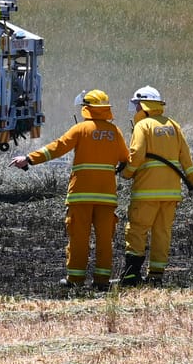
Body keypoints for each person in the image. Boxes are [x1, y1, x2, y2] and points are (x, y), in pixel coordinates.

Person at [12, 89, 129, 290]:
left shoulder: (81, 129)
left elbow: (57, 147)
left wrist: (29, 159)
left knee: (79, 239)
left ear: (87, 108)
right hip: (107, 197)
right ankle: (102, 281)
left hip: (81, 195)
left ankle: (75, 279)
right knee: (104, 240)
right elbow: (125, 160)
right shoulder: (115, 132)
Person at [120, 85, 193, 284]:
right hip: (171, 193)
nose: (136, 109)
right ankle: (156, 276)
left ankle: (131, 275)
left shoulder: (143, 126)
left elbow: (136, 154)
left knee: (137, 230)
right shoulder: (174, 125)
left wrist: (126, 173)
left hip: (146, 192)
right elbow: (186, 159)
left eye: (137, 105)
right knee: (162, 233)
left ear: (144, 106)